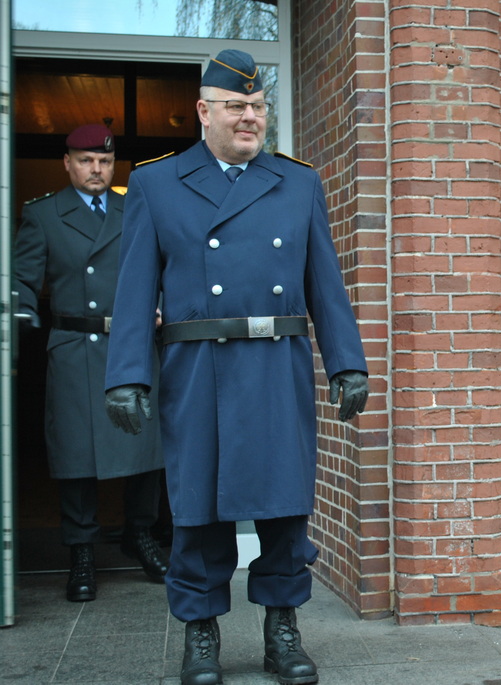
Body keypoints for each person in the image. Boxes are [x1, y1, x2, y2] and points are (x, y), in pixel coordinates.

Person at [103, 49, 368, 685]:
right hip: (198, 370)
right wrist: (127, 375)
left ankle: (282, 630)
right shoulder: (157, 183)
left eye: (257, 106)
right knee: (198, 508)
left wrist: (347, 363)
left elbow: (325, 284)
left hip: (277, 367)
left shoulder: (297, 182)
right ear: (204, 111)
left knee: (284, 507)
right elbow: (134, 289)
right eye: (235, 106)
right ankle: (200, 634)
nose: (249, 117)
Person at [14, 124, 168, 603]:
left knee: (146, 449)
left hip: (132, 343)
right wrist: (19, 311)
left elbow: (165, 264)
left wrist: (164, 302)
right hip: (74, 345)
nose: (96, 169)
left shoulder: (135, 208)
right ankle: (81, 550)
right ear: (67, 163)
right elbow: (21, 279)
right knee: (76, 454)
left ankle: (140, 534)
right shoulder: (43, 214)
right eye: (85, 161)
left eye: (104, 161)